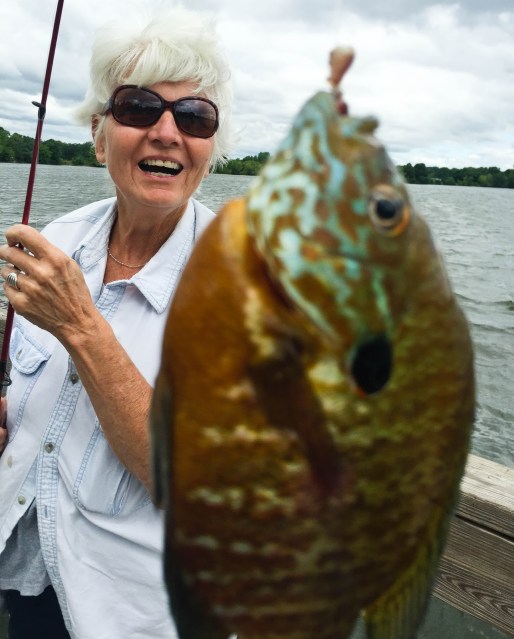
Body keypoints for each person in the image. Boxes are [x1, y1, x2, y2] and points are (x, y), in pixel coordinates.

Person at [0, 6, 233, 638]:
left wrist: (82, 327)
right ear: (100, 135)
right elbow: (32, 389)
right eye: (138, 107)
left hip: (131, 615)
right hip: (28, 575)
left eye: (194, 116)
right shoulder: (58, 237)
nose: (167, 132)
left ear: (211, 147)